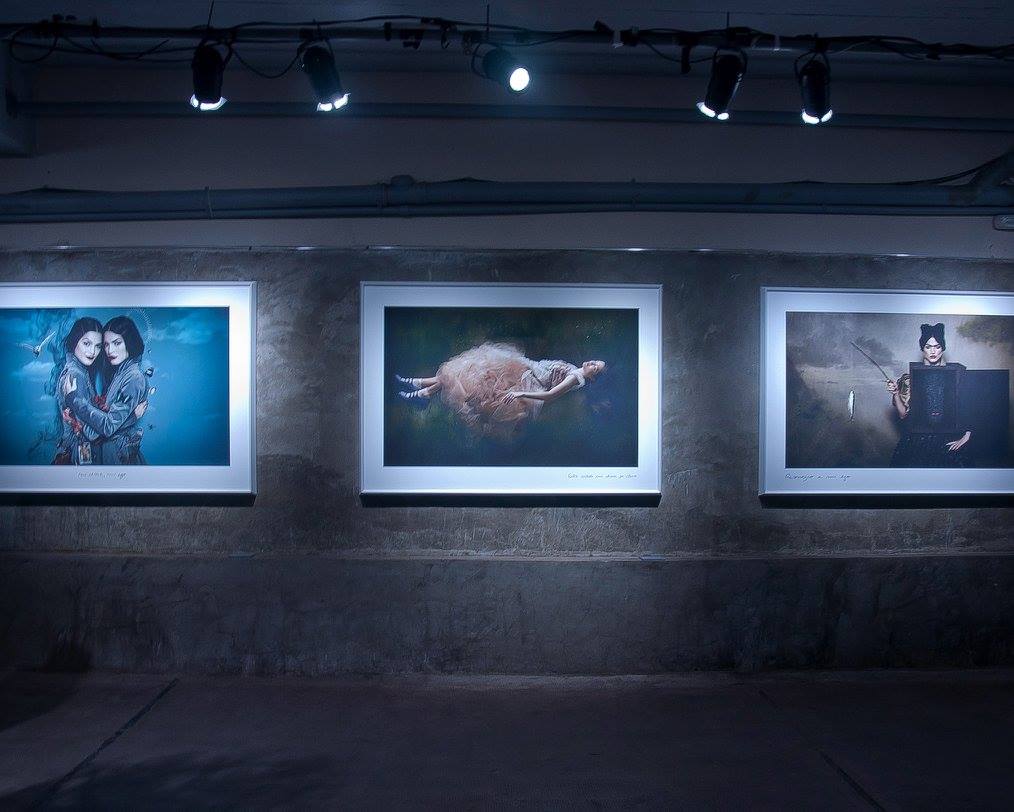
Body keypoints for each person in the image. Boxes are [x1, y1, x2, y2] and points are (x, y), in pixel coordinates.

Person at [396, 342, 606, 440]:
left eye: (596, 368)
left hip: (523, 379)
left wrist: (520, 393)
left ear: (592, 377)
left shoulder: (575, 378)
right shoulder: (574, 370)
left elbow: (550, 395)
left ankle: (418, 388)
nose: (593, 363)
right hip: (524, 367)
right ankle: (421, 392)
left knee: (471, 372)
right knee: (466, 369)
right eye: (595, 361)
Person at [63, 315, 149, 465]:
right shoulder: (76, 374)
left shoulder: (132, 377)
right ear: (75, 341)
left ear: (129, 342)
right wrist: (132, 418)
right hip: (97, 454)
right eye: (106, 345)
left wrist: (76, 402)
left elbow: (105, 428)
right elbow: (95, 433)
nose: (109, 350)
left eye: (116, 343)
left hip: (121, 458)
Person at [886, 322, 971, 467]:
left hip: (948, 438)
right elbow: (903, 415)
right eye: (928, 347)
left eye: (937, 347)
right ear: (922, 349)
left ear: (942, 349)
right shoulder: (909, 379)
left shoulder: (956, 375)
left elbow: (969, 406)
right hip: (917, 440)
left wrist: (967, 435)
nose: (933, 351)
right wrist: (896, 393)